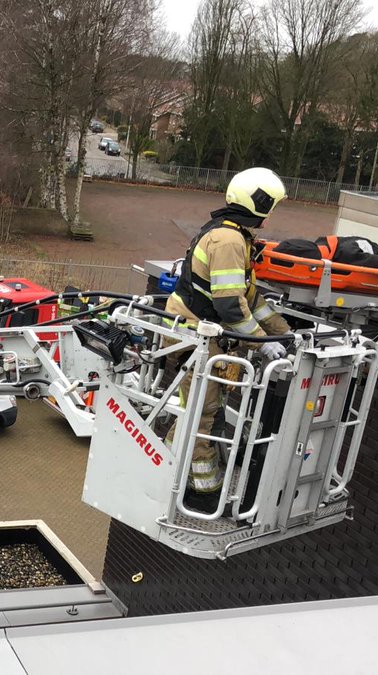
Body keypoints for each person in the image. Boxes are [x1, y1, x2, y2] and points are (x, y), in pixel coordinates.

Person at [166, 167, 292, 514]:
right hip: (197, 336)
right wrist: (262, 344)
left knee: (200, 413)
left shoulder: (235, 236)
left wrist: (284, 334)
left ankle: (168, 468)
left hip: (203, 334)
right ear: (260, 203)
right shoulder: (230, 241)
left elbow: (249, 300)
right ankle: (201, 497)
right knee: (202, 418)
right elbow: (230, 307)